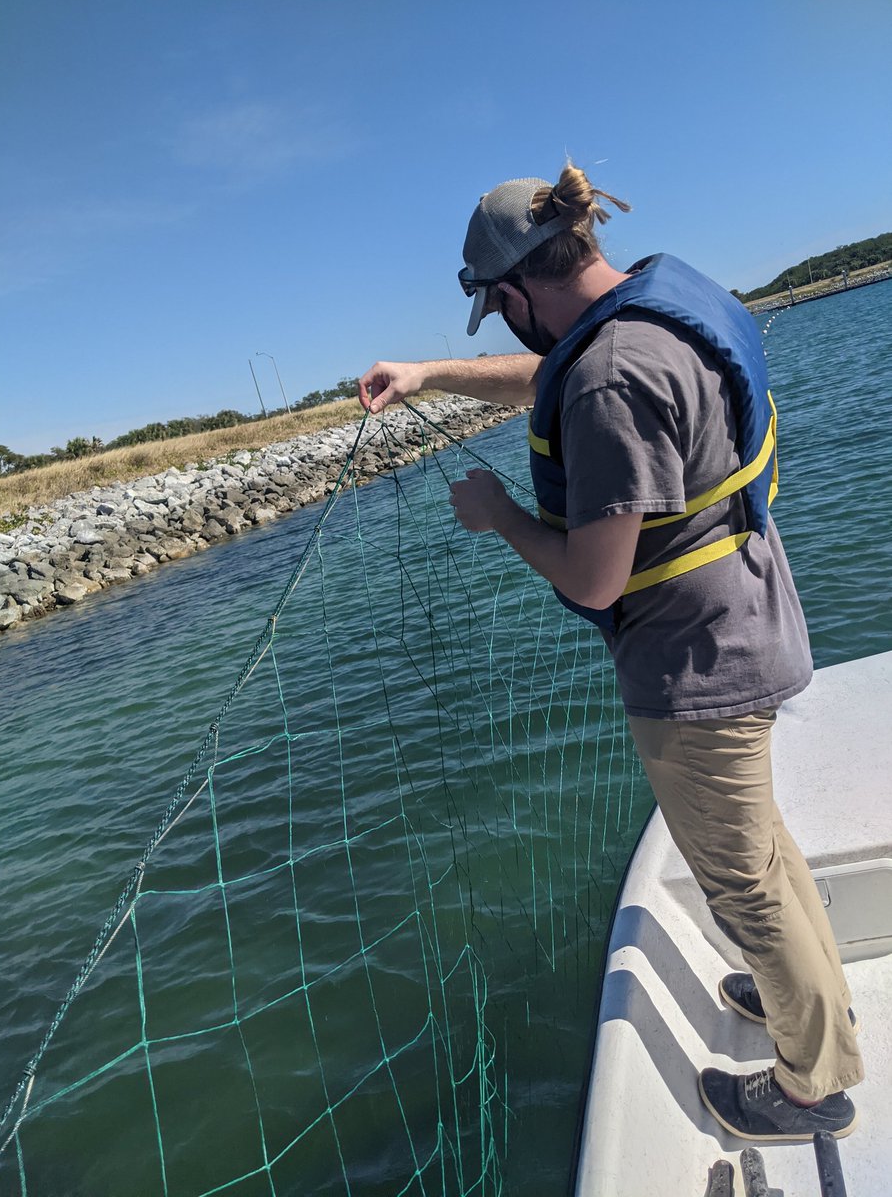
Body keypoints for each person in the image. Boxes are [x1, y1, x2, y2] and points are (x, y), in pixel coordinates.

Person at [358, 163, 864, 1142]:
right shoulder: (643, 315)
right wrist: (425, 376)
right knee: (762, 852)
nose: (504, 331)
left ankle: (812, 1086)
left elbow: (593, 577)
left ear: (514, 292)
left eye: (497, 313)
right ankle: (805, 1000)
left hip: (697, 664)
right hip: (748, 614)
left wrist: (500, 516)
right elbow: (556, 367)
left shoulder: (608, 380)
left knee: (742, 882)